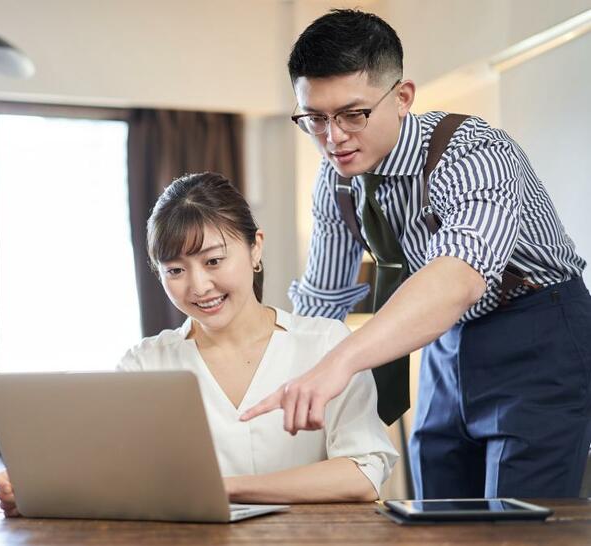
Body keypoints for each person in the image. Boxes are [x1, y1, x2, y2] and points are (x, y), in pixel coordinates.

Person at [241, 9, 591, 500]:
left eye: (352, 114)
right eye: (314, 118)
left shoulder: (472, 150)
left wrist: (341, 362)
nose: (333, 137)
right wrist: (269, 381)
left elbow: (457, 277)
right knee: (437, 513)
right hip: (445, 343)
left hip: (541, 329)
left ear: (402, 97)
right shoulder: (335, 182)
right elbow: (323, 301)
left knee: (518, 522)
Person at [0, 172, 397, 516]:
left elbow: (361, 474)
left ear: (255, 247)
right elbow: (112, 475)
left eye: (214, 261)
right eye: (175, 270)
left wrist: (225, 488)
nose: (199, 286)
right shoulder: (146, 363)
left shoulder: (325, 343)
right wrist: (33, 490)